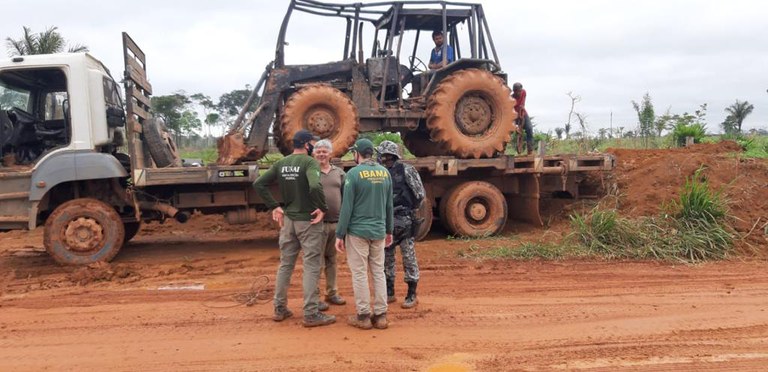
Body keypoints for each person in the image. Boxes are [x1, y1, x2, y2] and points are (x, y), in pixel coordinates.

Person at [252, 129, 335, 328]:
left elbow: (259, 183)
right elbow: (315, 186)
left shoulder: (281, 163)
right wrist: (322, 208)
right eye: (312, 143)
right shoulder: (309, 162)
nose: (314, 147)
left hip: (288, 221)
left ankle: (279, 308)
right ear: (306, 144)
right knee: (311, 265)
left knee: (286, 265)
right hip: (308, 221)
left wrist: (275, 206)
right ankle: (311, 313)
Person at [335, 138, 393, 330]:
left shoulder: (353, 174)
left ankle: (363, 316)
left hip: (357, 231)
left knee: (359, 273)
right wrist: (389, 230)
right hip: (378, 230)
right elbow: (388, 205)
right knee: (378, 271)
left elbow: (346, 207)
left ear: (357, 153)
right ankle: (381, 315)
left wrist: (340, 234)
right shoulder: (385, 173)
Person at [376, 140, 425, 309]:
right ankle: (390, 292)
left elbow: (419, 194)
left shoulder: (406, 170)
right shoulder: (378, 172)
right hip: (388, 220)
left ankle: (411, 293)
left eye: (386, 156)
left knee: (408, 257)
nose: (385, 159)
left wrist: (409, 210)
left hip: (403, 219)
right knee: (387, 258)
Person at [312, 139, 347, 310]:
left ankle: (332, 293)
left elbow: (345, 197)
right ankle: (315, 297)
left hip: (336, 224)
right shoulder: (309, 173)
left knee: (332, 260)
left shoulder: (339, 173)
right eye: (318, 151)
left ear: (330, 154)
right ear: (313, 154)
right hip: (316, 225)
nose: (321, 154)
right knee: (316, 262)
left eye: (325, 151)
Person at [512, 82, 534, 155]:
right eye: (516, 91)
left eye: (519, 91)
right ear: (514, 91)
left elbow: (523, 102)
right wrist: (515, 126)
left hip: (523, 114)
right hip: (513, 116)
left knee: (529, 129)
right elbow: (509, 113)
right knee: (508, 131)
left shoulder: (524, 92)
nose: (518, 93)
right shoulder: (511, 99)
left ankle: (530, 150)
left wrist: (522, 107)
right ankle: (502, 150)